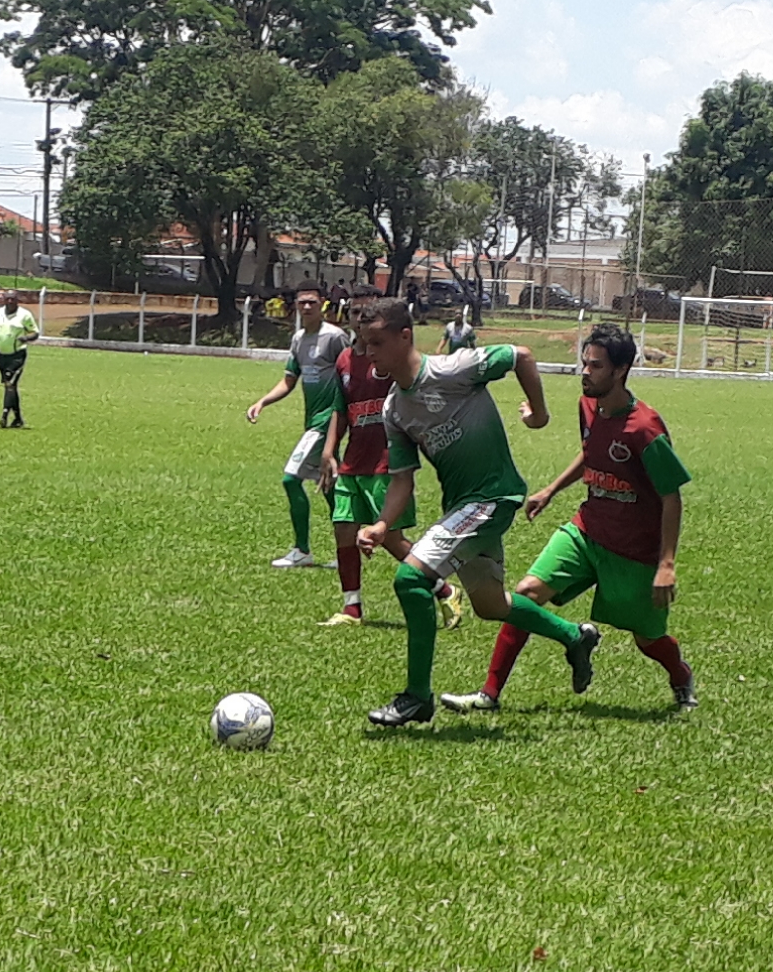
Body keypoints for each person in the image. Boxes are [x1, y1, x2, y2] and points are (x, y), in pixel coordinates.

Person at [354, 297, 600, 727]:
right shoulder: (394, 409)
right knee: (490, 605)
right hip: (463, 507)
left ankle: (417, 696)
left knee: (411, 579)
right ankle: (574, 637)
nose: (368, 353)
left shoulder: (452, 369)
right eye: (364, 344)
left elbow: (520, 356)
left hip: (492, 498)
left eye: (375, 343)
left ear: (404, 336)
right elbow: (402, 480)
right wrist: (381, 524)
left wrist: (539, 414)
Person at [441, 323, 695, 715]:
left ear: (621, 370)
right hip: (586, 531)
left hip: (633, 550)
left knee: (647, 639)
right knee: (525, 593)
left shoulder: (645, 429)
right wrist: (552, 490)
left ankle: (681, 676)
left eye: (595, 366)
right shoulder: (588, 405)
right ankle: (489, 695)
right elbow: (591, 451)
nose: (585, 372)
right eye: (584, 363)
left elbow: (670, 496)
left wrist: (666, 564)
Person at [318, 287, 464, 629]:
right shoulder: (344, 360)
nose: (358, 318)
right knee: (343, 530)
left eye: (365, 311)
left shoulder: (387, 358)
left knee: (391, 539)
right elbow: (340, 408)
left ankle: (444, 589)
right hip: (354, 460)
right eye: (354, 312)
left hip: (386, 460)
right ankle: (351, 607)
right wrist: (329, 450)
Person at [246, 285, 350, 567]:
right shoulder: (299, 340)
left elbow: (350, 376)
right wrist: (263, 402)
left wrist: (343, 418)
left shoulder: (335, 337)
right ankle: (347, 552)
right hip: (312, 421)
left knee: (291, 478)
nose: (307, 307)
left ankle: (302, 550)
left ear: (322, 305)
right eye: (302, 303)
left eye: (312, 302)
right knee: (330, 486)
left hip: (325, 421)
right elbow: (290, 380)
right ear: (295, 306)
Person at [0, 289, 39, 428]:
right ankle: (18, 419)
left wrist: (26, 338)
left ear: (17, 300)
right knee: (10, 386)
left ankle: (4, 415)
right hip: (1, 356)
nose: (10, 301)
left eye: (13, 299)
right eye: (8, 299)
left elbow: (34, 333)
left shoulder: (24, 315)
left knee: (9, 384)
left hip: (17, 356)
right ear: (4, 300)